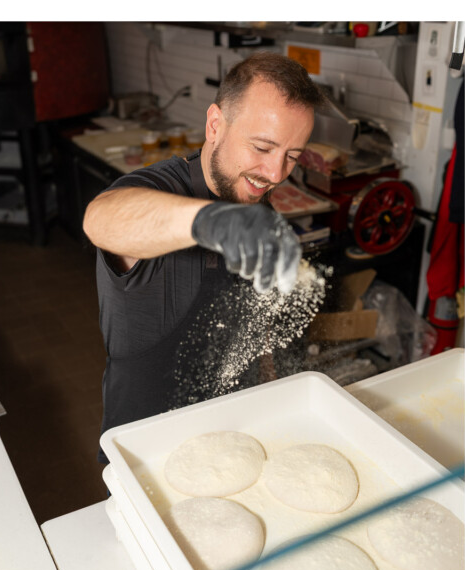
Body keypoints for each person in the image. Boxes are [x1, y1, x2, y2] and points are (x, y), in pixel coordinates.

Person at [83, 52, 324, 462]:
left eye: (292, 156)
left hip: (234, 439)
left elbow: (254, 326)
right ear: (215, 125)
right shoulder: (161, 188)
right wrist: (209, 221)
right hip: (147, 454)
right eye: (263, 146)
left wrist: (269, 386)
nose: (275, 172)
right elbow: (102, 219)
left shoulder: (254, 200)